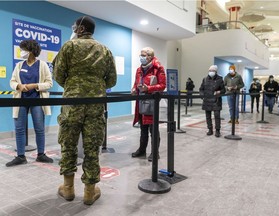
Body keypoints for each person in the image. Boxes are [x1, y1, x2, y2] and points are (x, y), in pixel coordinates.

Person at [52, 16, 117, 205]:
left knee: (68, 144)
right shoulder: (105, 50)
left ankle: (68, 189)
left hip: (72, 102)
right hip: (96, 103)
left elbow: (58, 74)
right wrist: (95, 84)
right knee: (92, 147)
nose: (73, 29)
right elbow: (112, 80)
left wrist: (73, 85)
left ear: (80, 29)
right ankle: (89, 192)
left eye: (74, 27)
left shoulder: (68, 47)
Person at [6, 40, 53, 167]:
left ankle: (41, 155)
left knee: (39, 129)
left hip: (37, 100)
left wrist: (35, 85)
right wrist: (18, 86)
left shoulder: (42, 65)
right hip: (21, 100)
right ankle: (21, 156)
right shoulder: (19, 65)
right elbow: (12, 81)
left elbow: (49, 83)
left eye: (23, 49)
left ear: (31, 50)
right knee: (19, 129)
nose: (21, 52)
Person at [131, 47, 166, 161]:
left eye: (143, 55)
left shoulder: (158, 68)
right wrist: (134, 89)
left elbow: (162, 85)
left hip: (152, 103)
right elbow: (136, 83)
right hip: (141, 102)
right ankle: (142, 150)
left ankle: (155, 152)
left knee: (153, 130)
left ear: (150, 56)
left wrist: (149, 88)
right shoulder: (139, 70)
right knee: (143, 129)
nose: (141, 57)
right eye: (141, 55)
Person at [199, 65, 225, 137]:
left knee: (217, 116)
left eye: (212, 71)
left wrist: (219, 92)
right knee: (208, 116)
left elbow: (224, 90)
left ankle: (217, 130)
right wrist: (202, 96)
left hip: (216, 101)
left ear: (216, 72)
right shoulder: (205, 79)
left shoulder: (220, 79)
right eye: (209, 70)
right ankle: (210, 129)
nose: (211, 72)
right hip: (206, 100)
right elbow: (201, 89)